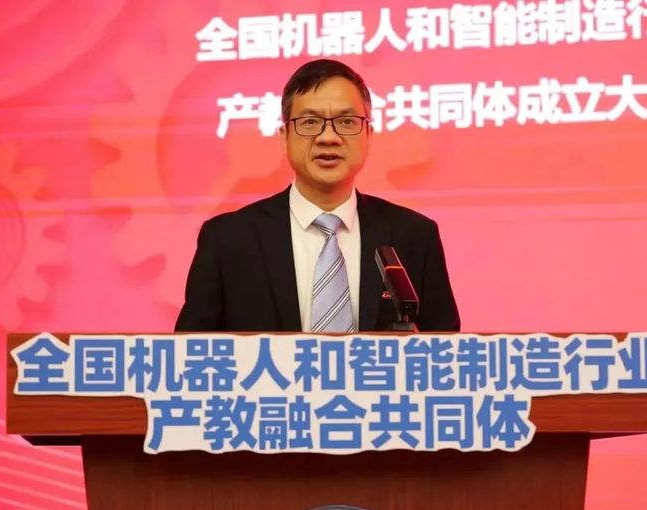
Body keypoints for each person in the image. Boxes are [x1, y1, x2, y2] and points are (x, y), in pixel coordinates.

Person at [175, 59, 459, 332]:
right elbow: (188, 352)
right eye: (310, 122)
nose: (328, 137)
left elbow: (447, 351)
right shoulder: (228, 240)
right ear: (284, 136)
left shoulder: (415, 237)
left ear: (369, 135)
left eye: (346, 122)